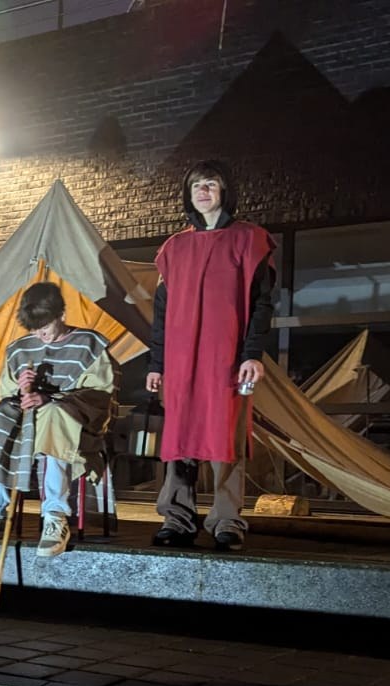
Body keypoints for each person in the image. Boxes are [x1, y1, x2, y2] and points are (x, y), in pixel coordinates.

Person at [146, 160, 276, 551]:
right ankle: (178, 519)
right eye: (196, 186)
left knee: (225, 436)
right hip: (182, 359)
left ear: (224, 190)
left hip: (227, 359)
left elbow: (261, 303)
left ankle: (227, 521)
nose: (203, 191)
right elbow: (161, 313)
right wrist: (157, 364)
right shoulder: (174, 248)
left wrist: (252, 354)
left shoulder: (249, 240)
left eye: (211, 184)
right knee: (181, 436)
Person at [0, 282, 116, 558]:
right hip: (27, 426)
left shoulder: (89, 345)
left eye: (44, 326)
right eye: (34, 329)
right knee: (0, 415)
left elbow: (100, 395)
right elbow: (6, 394)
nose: (39, 334)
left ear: (61, 315)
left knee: (53, 416)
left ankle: (55, 517)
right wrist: (22, 388)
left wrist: (50, 399)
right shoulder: (19, 349)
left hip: (71, 426)